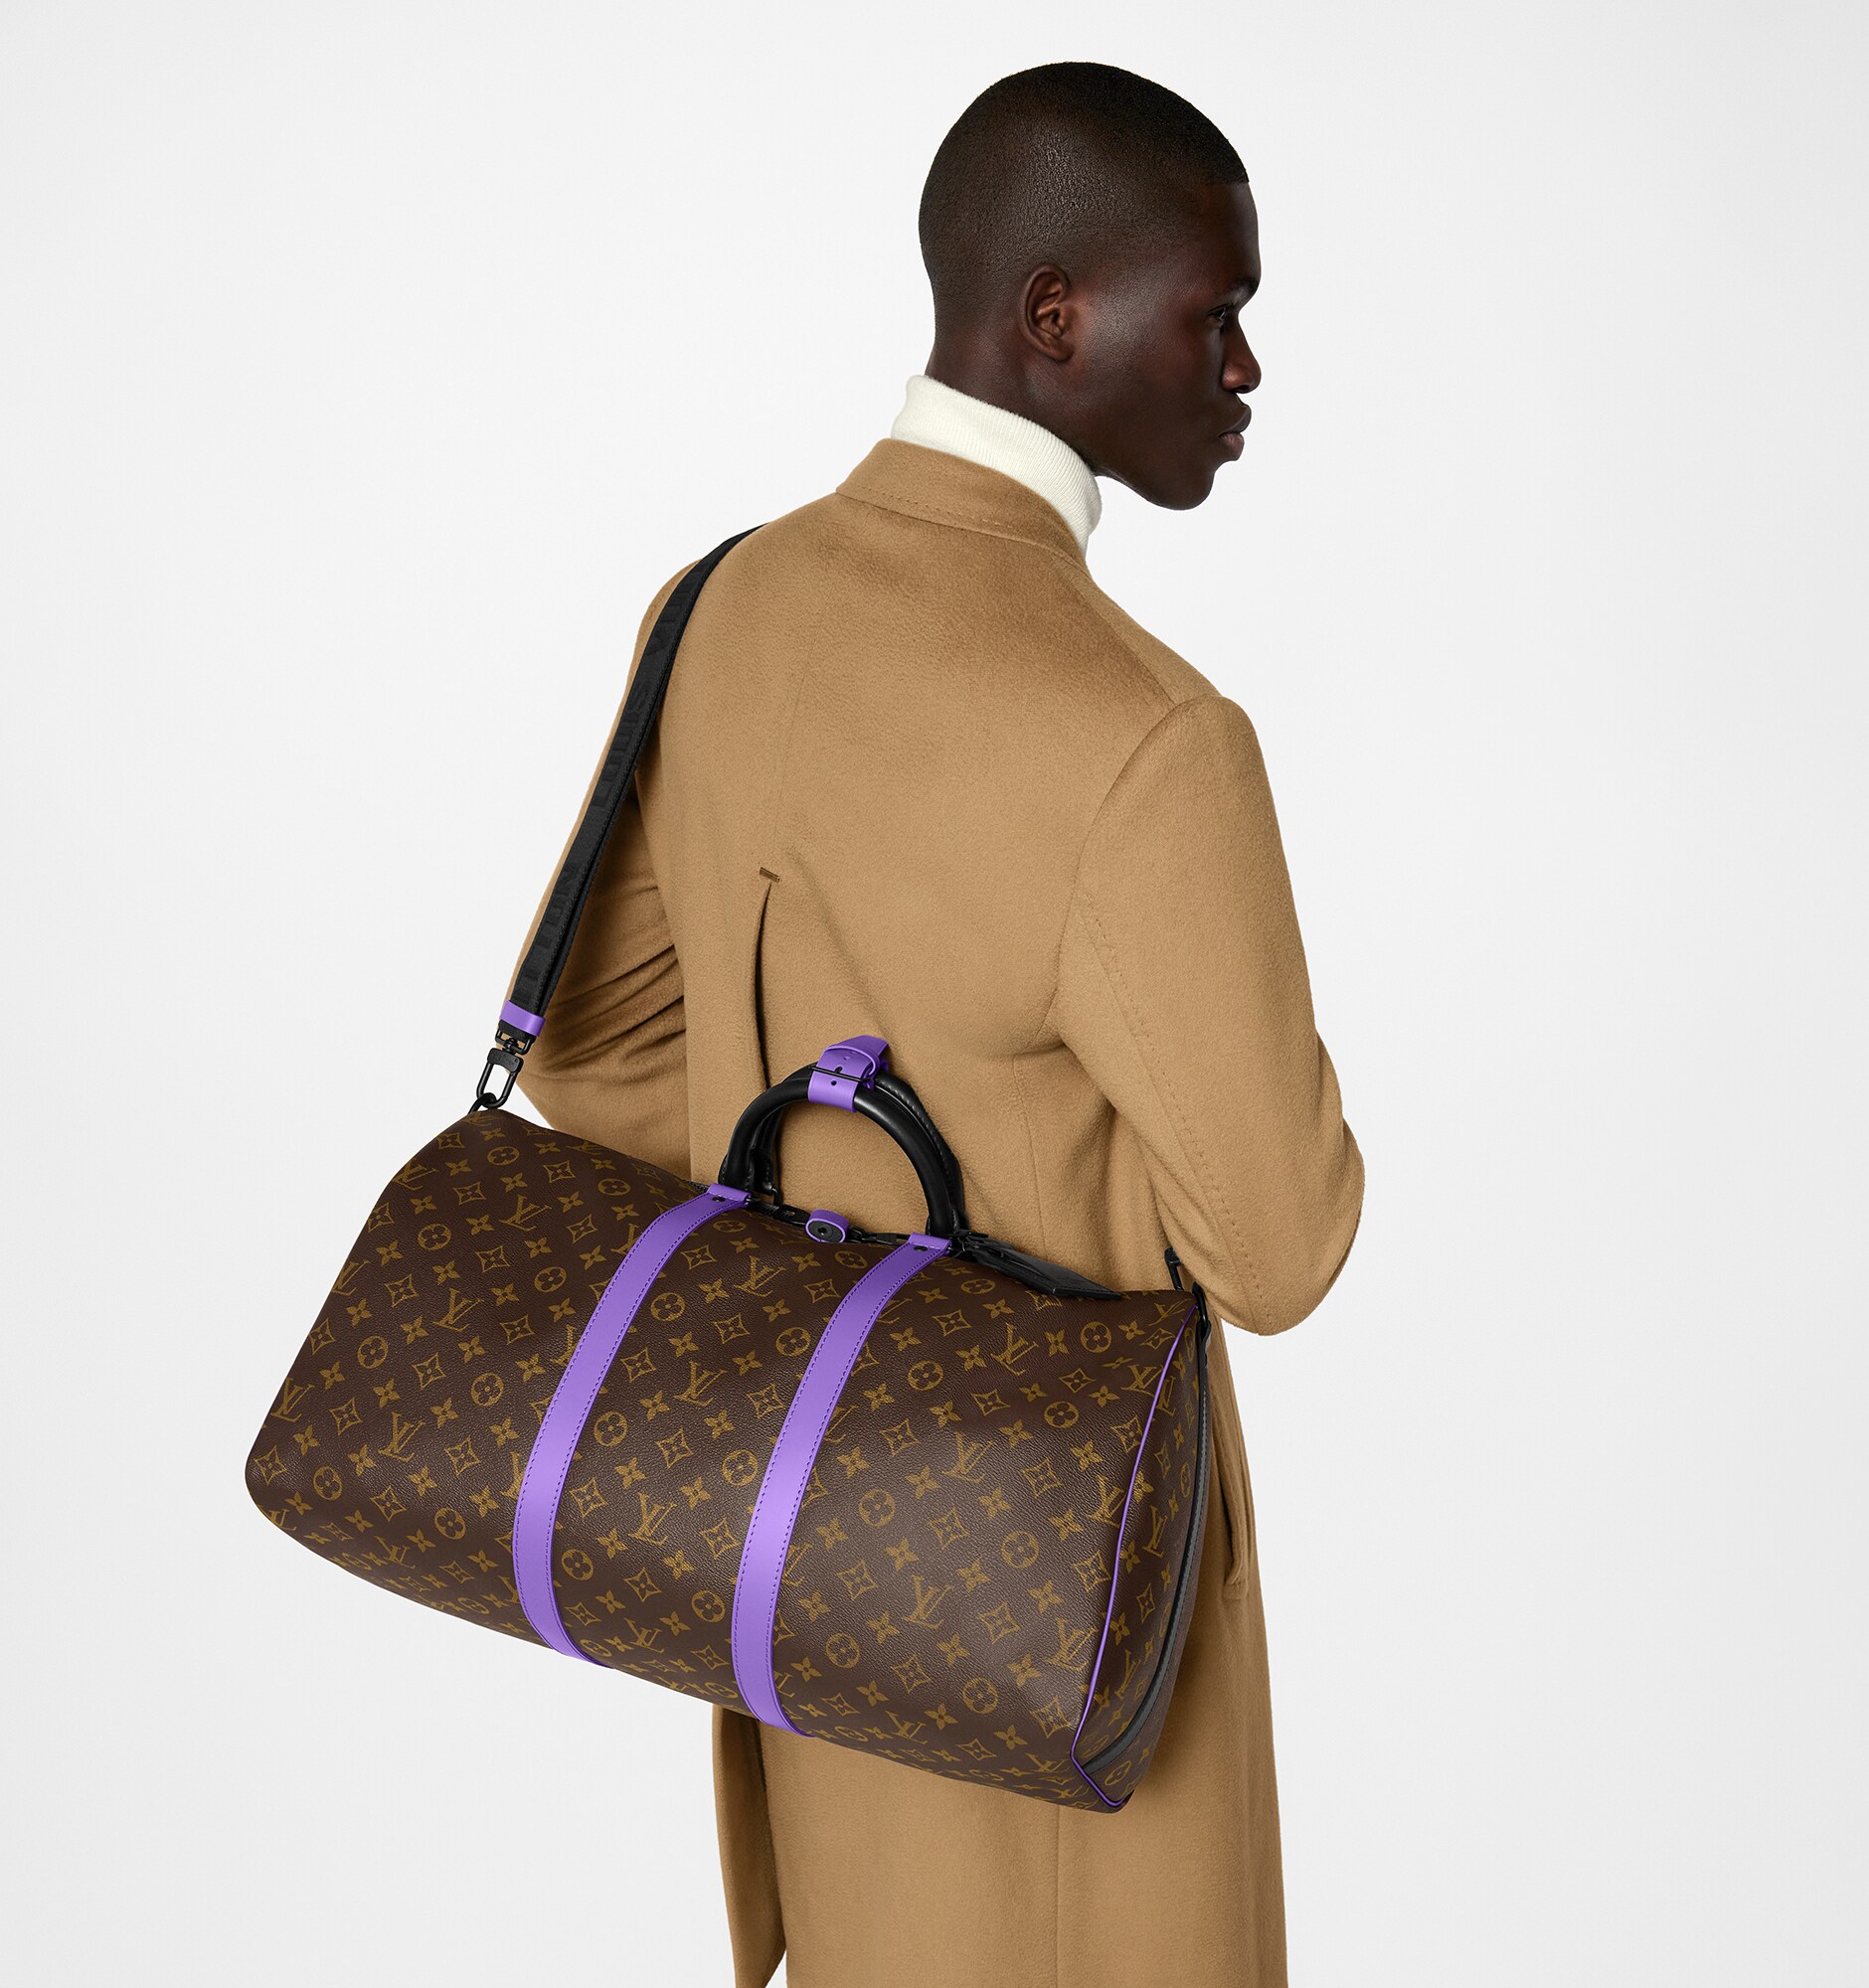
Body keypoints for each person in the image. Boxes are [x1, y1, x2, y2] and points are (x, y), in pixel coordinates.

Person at [515, 60, 1363, 1988]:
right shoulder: (1151, 738)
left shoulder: (719, 609)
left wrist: (827, 1232)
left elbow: (589, 1047)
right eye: (1215, 313)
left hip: (800, 1562)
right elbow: (1282, 1246)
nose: (1244, 368)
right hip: (1069, 1606)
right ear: (1053, 312)